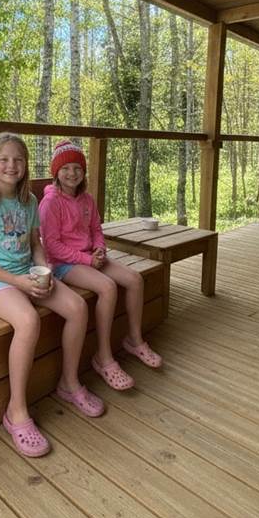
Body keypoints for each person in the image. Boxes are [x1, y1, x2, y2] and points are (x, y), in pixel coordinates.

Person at [0, 133, 103, 458]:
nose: (12, 165)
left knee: (78, 307)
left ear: (26, 166)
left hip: (27, 272)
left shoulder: (29, 201)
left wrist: (44, 270)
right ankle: (16, 411)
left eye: (18, 160)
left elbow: (37, 244)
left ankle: (68, 383)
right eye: (5, 160)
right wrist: (17, 281)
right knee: (27, 321)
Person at [38, 140, 162, 393]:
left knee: (135, 279)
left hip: (90, 257)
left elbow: (96, 229)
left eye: (77, 168)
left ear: (84, 172)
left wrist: (99, 249)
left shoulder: (87, 200)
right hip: (64, 264)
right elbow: (51, 246)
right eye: (66, 168)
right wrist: (87, 260)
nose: (72, 173)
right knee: (107, 287)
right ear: (56, 172)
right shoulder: (50, 203)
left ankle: (134, 340)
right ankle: (103, 357)